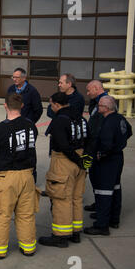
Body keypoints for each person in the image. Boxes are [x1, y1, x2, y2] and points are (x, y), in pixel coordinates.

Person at [0, 93, 40, 259]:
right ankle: (28, 247)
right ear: (22, 106)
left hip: (6, 177)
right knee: (26, 214)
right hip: (28, 175)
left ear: (5, 105)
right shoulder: (30, 125)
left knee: (1, 214)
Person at [39, 92, 91, 248]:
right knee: (76, 197)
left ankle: (60, 236)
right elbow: (89, 138)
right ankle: (75, 232)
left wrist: (76, 160)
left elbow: (63, 145)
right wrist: (83, 161)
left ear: (56, 104)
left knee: (61, 198)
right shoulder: (80, 118)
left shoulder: (59, 121)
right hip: (80, 159)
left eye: (51, 104)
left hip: (64, 161)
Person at [84, 96, 132, 235]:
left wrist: (101, 154)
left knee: (103, 191)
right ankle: (113, 219)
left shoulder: (108, 123)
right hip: (117, 158)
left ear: (107, 108)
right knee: (115, 188)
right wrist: (118, 145)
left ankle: (101, 225)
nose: (98, 108)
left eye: (100, 106)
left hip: (107, 161)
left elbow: (106, 143)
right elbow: (129, 131)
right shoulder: (120, 119)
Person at [84, 80, 108, 212]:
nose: (87, 93)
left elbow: (100, 127)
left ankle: (102, 207)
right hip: (93, 145)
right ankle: (98, 202)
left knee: (99, 177)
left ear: (96, 88)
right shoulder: (96, 102)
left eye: (89, 90)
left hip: (97, 146)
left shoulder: (104, 103)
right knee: (94, 176)